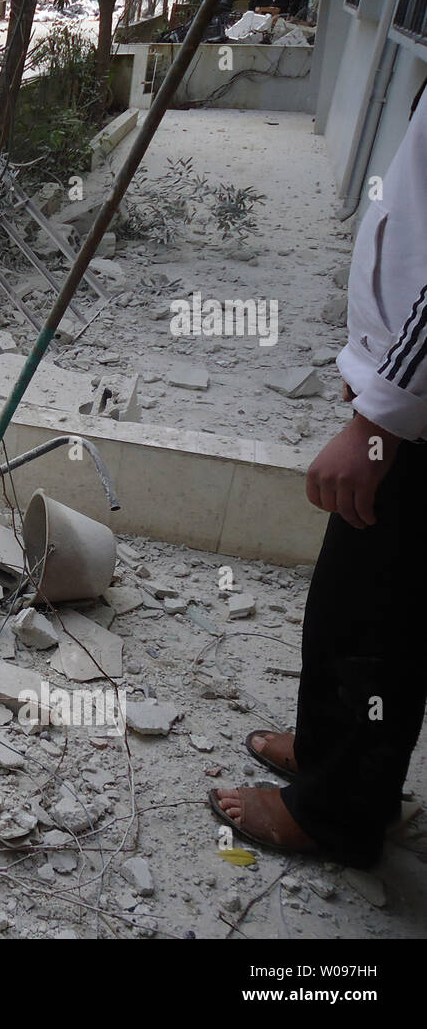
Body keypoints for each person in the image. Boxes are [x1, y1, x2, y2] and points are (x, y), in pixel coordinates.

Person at [210, 86, 427, 868]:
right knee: (345, 601)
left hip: (411, 422)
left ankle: (338, 813)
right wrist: (375, 367)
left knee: (379, 624)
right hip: (406, 404)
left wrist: (384, 410)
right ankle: (327, 750)